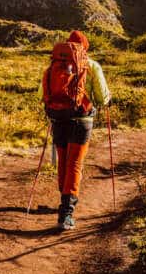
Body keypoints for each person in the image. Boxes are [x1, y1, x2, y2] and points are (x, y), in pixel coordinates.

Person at [41, 29, 111, 231]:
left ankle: (63, 200)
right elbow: (101, 98)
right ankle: (66, 214)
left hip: (58, 118)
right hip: (81, 119)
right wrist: (106, 100)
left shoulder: (54, 65)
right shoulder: (91, 65)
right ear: (85, 47)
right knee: (75, 164)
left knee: (63, 160)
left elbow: (42, 93)